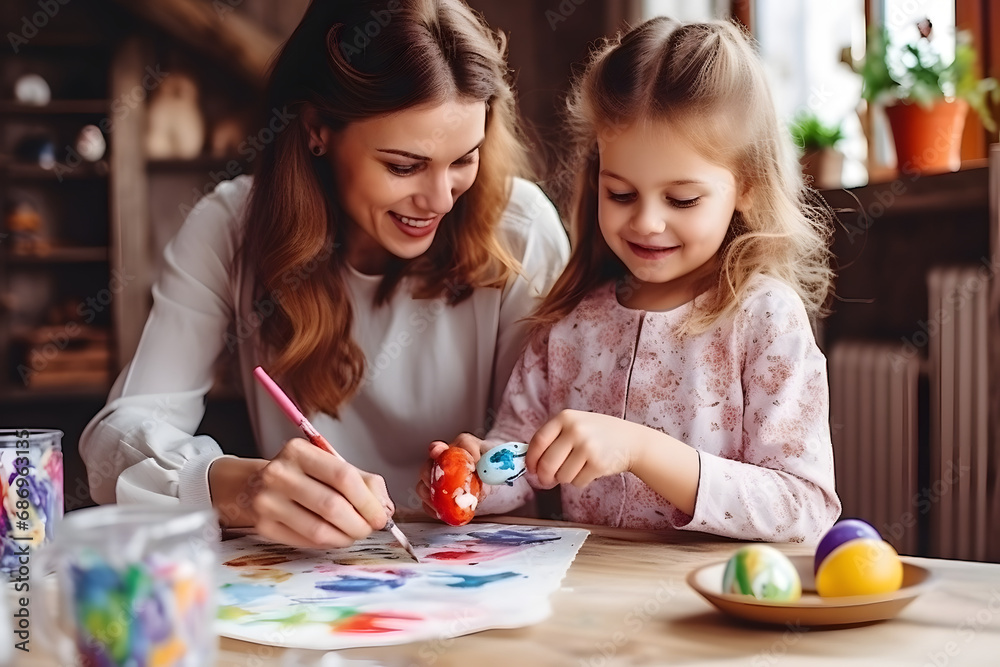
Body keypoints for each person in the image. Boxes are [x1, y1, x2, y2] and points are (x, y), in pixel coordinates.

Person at [80, 0, 569, 548]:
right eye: (403, 165)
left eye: (463, 160)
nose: (440, 199)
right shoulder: (229, 228)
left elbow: (546, 448)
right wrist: (238, 487)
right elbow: (112, 444)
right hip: (302, 581)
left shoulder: (521, 232)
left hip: (480, 570)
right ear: (317, 129)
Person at [420, 17, 842, 542]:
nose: (646, 222)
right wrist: (478, 473)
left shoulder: (764, 320)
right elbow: (524, 460)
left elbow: (802, 506)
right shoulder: (573, 324)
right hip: (594, 597)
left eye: (682, 199)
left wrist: (641, 450)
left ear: (747, 188)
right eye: (620, 193)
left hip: (713, 607)